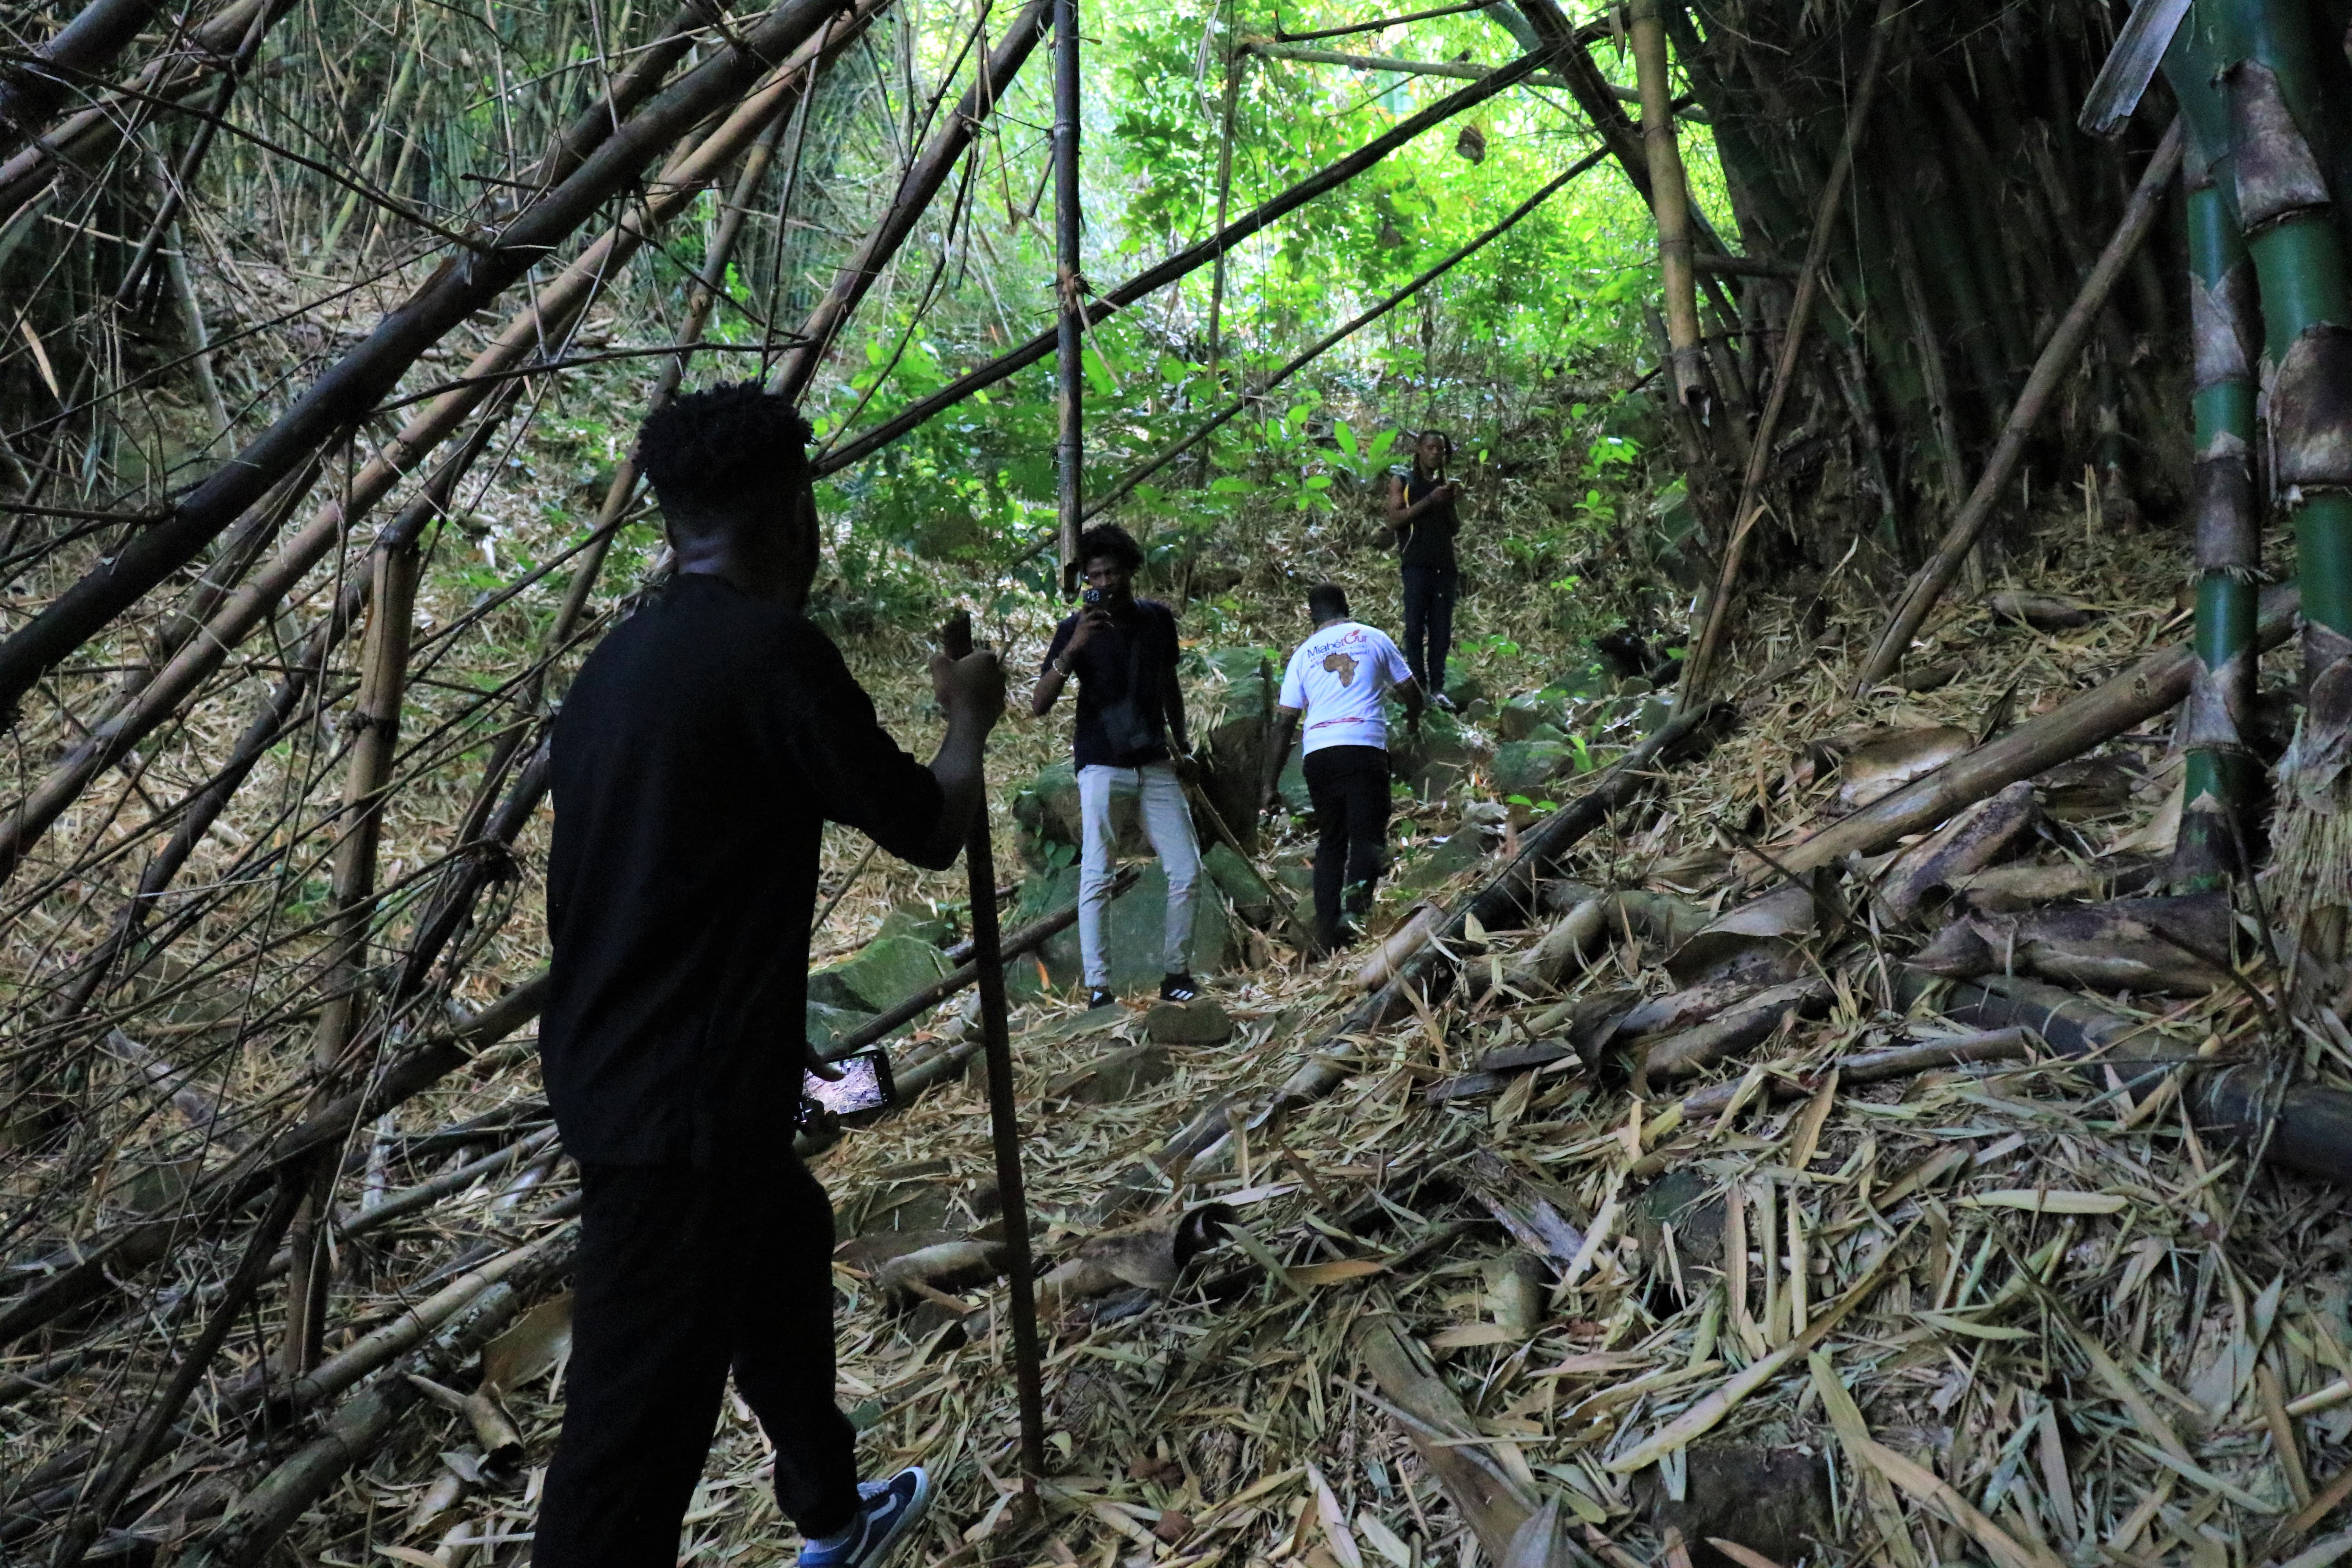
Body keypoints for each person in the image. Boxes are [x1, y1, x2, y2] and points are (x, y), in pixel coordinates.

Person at [535, 384, 1005, 1568]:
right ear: (791, 513)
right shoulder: (769, 655)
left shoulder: (612, 670)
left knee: (783, 1248)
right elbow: (927, 823)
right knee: (623, 1454)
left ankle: (832, 1514)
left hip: (648, 1081)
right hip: (676, 1118)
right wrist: (967, 719)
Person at [1031, 522, 1204, 1010]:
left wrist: (1183, 744)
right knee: (1097, 873)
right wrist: (1073, 648)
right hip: (1101, 761)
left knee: (1186, 868)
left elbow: (1170, 685)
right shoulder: (1076, 629)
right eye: (1095, 575)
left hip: (1153, 759)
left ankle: (1176, 973)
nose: (1104, 583)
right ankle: (1100, 988)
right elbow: (1038, 703)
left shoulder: (1157, 620)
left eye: (1111, 573)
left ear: (1130, 571)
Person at [1262, 582, 1423, 951]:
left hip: (1318, 753)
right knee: (1367, 835)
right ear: (1347, 608)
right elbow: (1411, 692)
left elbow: (1285, 722)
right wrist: (1414, 721)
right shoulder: (1373, 638)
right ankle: (1355, 917)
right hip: (1363, 746)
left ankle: (1326, 931)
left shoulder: (1303, 655)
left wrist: (1268, 786)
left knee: (1331, 840)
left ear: (1311, 616)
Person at [1385, 430, 1463, 710]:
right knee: (1415, 627)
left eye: (1440, 450)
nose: (1435, 454)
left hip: (1444, 565)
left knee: (1441, 630)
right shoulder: (1403, 481)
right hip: (1416, 564)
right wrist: (1430, 501)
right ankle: (1418, 684)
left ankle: (1438, 688)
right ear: (1419, 449)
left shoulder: (1443, 483)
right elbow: (1395, 519)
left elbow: (1454, 528)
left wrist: (1450, 501)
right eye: (1430, 448)